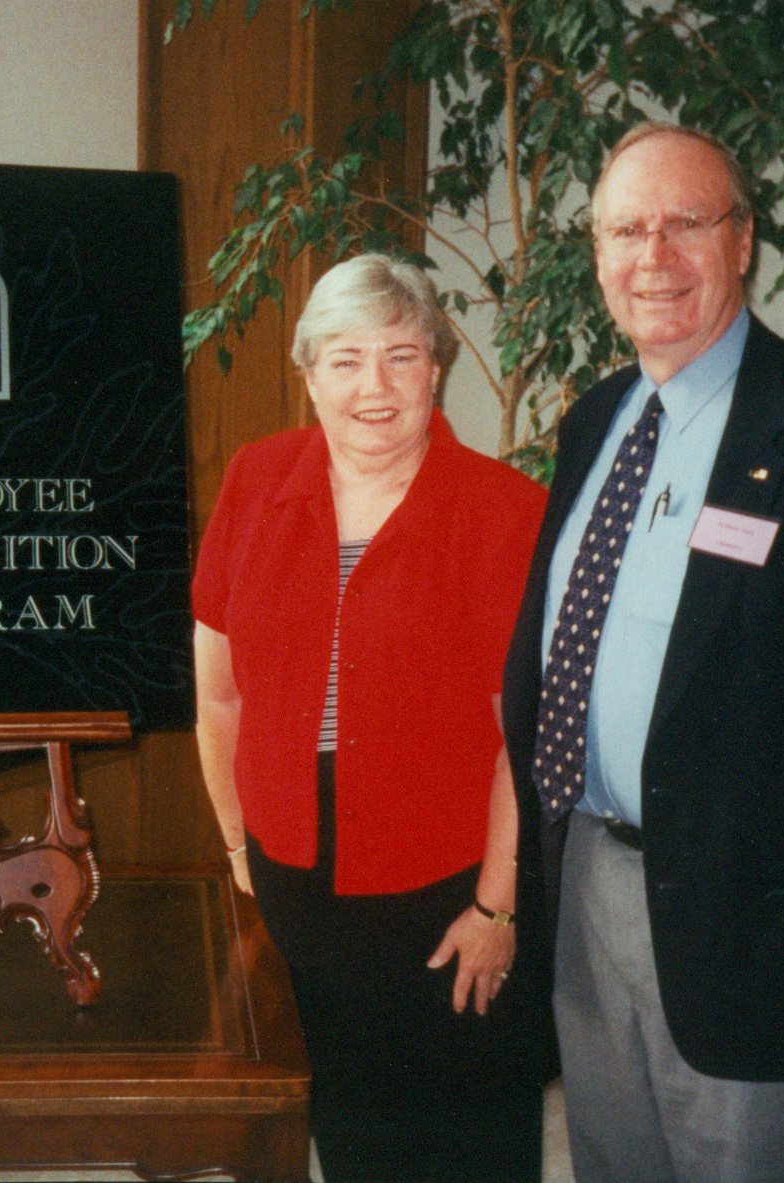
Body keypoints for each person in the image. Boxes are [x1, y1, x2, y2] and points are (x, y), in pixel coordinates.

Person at [500, 121, 784, 1183]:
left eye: (686, 223)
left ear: (744, 241)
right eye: (626, 229)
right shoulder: (594, 420)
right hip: (593, 885)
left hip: (771, 932)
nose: (655, 257)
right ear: (594, 255)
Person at [192, 253, 549, 1182]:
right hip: (295, 873)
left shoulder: (505, 511)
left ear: (436, 367)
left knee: (469, 1135)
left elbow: (528, 736)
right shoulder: (256, 480)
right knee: (349, 1130)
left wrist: (498, 906)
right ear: (309, 373)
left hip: (447, 886)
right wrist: (239, 852)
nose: (374, 386)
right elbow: (218, 694)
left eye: (400, 355)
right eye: (345, 360)